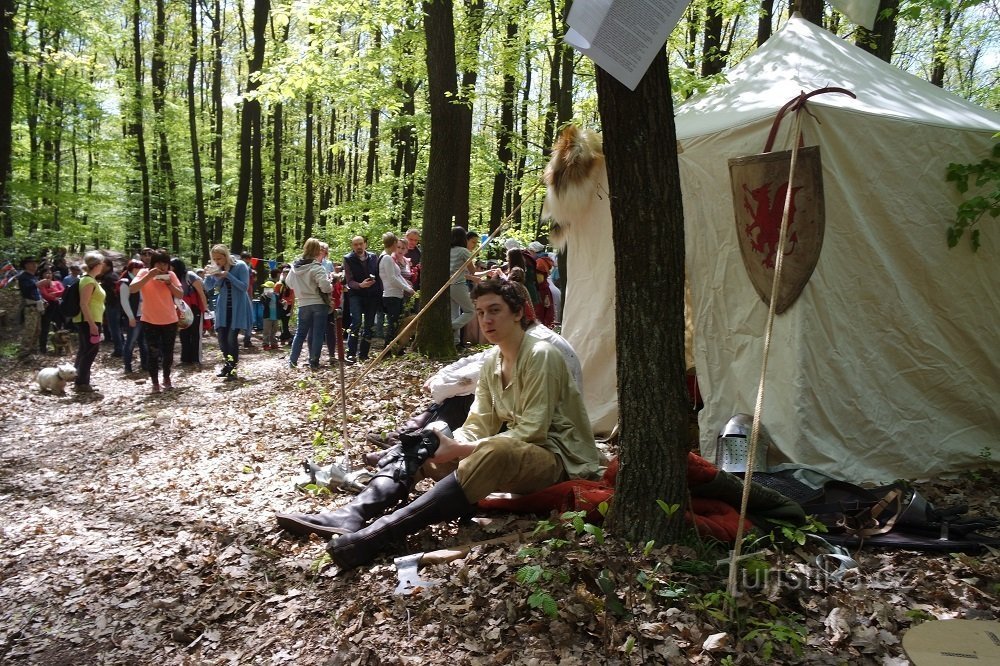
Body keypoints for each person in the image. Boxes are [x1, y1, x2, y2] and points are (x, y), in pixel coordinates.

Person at [277, 279, 603, 570]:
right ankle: (355, 514)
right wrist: (444, 443)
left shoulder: (541, 353)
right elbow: (479, 423)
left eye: (495, 310)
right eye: (479, 312)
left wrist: (463, 448)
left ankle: (380, 533)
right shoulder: (492, 361)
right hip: (520, 454)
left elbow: (534, 431)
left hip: (559, 460)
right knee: (429, 438)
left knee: (496, 450)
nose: (486, 320)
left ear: (517, 313)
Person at [130, 251, 182, 393]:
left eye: (165, 263)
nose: (162, 266)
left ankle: (166, 378)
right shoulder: (143, 273)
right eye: (159, 263)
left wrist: (169, 284)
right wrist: (149, 276)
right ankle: (155, 383)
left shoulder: (171, 275)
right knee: (152, 353)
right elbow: (132, 289)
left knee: (168, 352)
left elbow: (180, 294)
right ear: (153, 263)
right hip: (150, 320)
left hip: (170, 319)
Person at [203, 245, 254, 381]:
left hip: (239, 307)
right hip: (223, 308)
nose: (217, 261)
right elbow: (208, 287)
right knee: (222, 339)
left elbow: (244, 287)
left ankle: (232, 369)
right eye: (214, 259)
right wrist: (209, 275)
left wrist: (227, 275)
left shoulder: (241, 265)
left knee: (232, 338)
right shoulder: (216, 268)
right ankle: (227, 365)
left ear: (226, 256)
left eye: (219, 258)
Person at [286, 237, 334, 370]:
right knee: (318, 334)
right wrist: (330, 284)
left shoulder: (295, 268)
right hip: (318, 303)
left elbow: (289, 283)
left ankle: (292, 362)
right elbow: (325, 287)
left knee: (300, 334)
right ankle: (314, 362)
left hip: (303, 304)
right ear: (317, 250)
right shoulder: (316, 267)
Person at [72, 252, 108, 392]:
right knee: (91, 350)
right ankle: (81, 382)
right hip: (88, 321)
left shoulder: (91, 280)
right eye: (102, 263)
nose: (103, 265)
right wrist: (92, 325)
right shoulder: (87, 281)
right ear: (97, 265)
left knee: (85, 350)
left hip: (91, 320)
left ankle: (79, 379)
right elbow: (84, 304)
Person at [342, 235, 381, 363]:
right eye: (355, 244)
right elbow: (349, 280)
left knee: (369, 325)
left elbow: (378, 274)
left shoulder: (373, 257)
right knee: (356, 322)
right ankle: (351, 353)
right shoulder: (348, 259)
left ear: (365, 244)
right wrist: (360, 285)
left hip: (372, 295)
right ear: (352, 246)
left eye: (360, 244)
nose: (358, 247)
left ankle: (364, 354)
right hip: (356, 294)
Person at [378, 232, 414, 355]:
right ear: (393, 243)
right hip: (391, 295)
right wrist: (407, 289)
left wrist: (407, 286)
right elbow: (392, 279)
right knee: (393, 324)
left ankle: (395, 348)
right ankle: (387, 350)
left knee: (398, 322)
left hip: (397, 295)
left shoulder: (390, 257)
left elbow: (398, 276)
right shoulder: (386, 258)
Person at [171, 257, 208, 365]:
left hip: (195, 308)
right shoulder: (173, 278)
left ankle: (196, 359)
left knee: (195, 333)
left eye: (171, 266)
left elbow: (201, 292)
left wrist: (205, 308)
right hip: (182, 309)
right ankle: (185, 359)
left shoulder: (190, 275)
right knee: (184, 333)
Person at [449, 226, 479, 346]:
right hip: (458, 284)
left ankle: (455, 341)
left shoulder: (448, 250)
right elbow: (472, 271)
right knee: (470, 311)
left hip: (448, 285)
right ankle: (450, 327)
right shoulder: (463, 251)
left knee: (454, 314)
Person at [119, 259, 148, 374]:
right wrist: (130, 317)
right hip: (134, 317)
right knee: (130, 342)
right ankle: (127, 366)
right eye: (139, 268)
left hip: (144, 315)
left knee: (144, 342)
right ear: (133, 269)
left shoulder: (141, 280)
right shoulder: (125, 283)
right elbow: (124, 301)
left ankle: (145, 365)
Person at [17, 258, 48, 359]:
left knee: (37, 330)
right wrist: (38, 284)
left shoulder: (33, 276)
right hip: (30, 307)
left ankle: (33, 351)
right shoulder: (23, 277)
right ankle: (24, 353)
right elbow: (26, 290)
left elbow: (36, 292)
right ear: (26, 265)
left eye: (35, 263)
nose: (35, 265)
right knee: (29, 330)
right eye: (31, 263)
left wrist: (42, 300)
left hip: (37, 306)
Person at [100, 257, 124, 358]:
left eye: (103, 265)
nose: (101, 266)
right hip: (115, 304)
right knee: (116, 327)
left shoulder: (109, 277)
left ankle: (119, 350)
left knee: (114, 327)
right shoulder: (111, 276)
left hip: (113, 305)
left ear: (108, 266)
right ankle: (121, 347)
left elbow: (114, 292)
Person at [38, 268, 65, 354]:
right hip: (47, 306)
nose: (48, 275)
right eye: (46, 273)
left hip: (58, 306)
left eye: (50, 273)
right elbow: (44, 295)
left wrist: (54, 294)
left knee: (58, 326)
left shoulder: (57, 283)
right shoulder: (41, 284)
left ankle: (60, 347)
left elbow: (63, 291)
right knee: (45, 327)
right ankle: (43, 347)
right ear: (42, 275)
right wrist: (55, 296)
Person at [240, 250, 256, 349]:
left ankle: (246, 339)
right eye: (247, 259)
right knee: (248, 318)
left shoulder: (249, 269)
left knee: (247, 318)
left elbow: (251, 281)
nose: (248, 261)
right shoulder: (244, 268)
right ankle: (246, 339)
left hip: (247, 294)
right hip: (244, 295)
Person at [260, 280, 281, 350]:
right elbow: (265, 305)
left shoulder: (276, 296)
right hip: (267, 316)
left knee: (274, 330)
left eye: (268, 288)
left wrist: (283, 303)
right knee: (266, 331)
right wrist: (268, 298)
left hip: (275, 316)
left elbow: (278, 304)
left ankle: (274, 343)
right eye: (265, 288)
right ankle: (265, 344)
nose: (266, 289)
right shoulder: (263, 296)